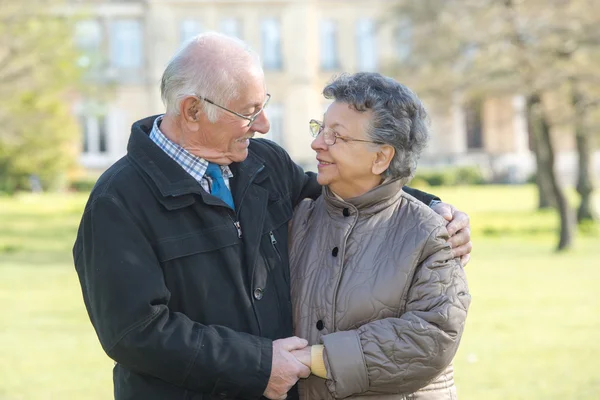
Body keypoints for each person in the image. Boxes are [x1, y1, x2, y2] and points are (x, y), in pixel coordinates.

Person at [73, 33, 472, 400]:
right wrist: (261, 364)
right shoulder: (118, 201)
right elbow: (135, 333)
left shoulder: (263, 164)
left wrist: (432, 207)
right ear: (193, 111)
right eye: (250, 112)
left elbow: (347, 190)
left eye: (263, 106)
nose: (263, 126)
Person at [288, 73, 471, 399]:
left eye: (337, 136)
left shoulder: (431, 234)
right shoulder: (296, 218)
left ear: (381, 157)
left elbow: (431, 337)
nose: (317, 143)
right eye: (321, 129)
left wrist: (317, 359)